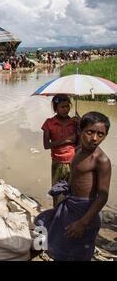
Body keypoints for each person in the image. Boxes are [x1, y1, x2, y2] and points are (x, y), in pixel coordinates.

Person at [36, 112, 112, 261]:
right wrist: (67, 187)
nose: (95, 138)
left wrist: (83, 223)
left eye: (100, 134)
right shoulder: (77, 151)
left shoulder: (101, 160)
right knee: (50, 229)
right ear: (79, 131)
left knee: (79, 252)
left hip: (86, 211)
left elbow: (103, 195)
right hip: (70, 204)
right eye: (90, 132)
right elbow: (76, 174)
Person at [42, 94, 78, 206]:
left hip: (74, 160)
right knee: (57, 190)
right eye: (62, 107)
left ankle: (70, 213)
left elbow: (82, 141)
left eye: (67, 106)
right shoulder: (49, 123)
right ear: (55, 108)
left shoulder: (74, 122)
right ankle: (58, 212)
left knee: (73, 190)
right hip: (58, 162)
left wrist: (81, 124)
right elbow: (46, 145)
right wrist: (66, 140)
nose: (66, 109)